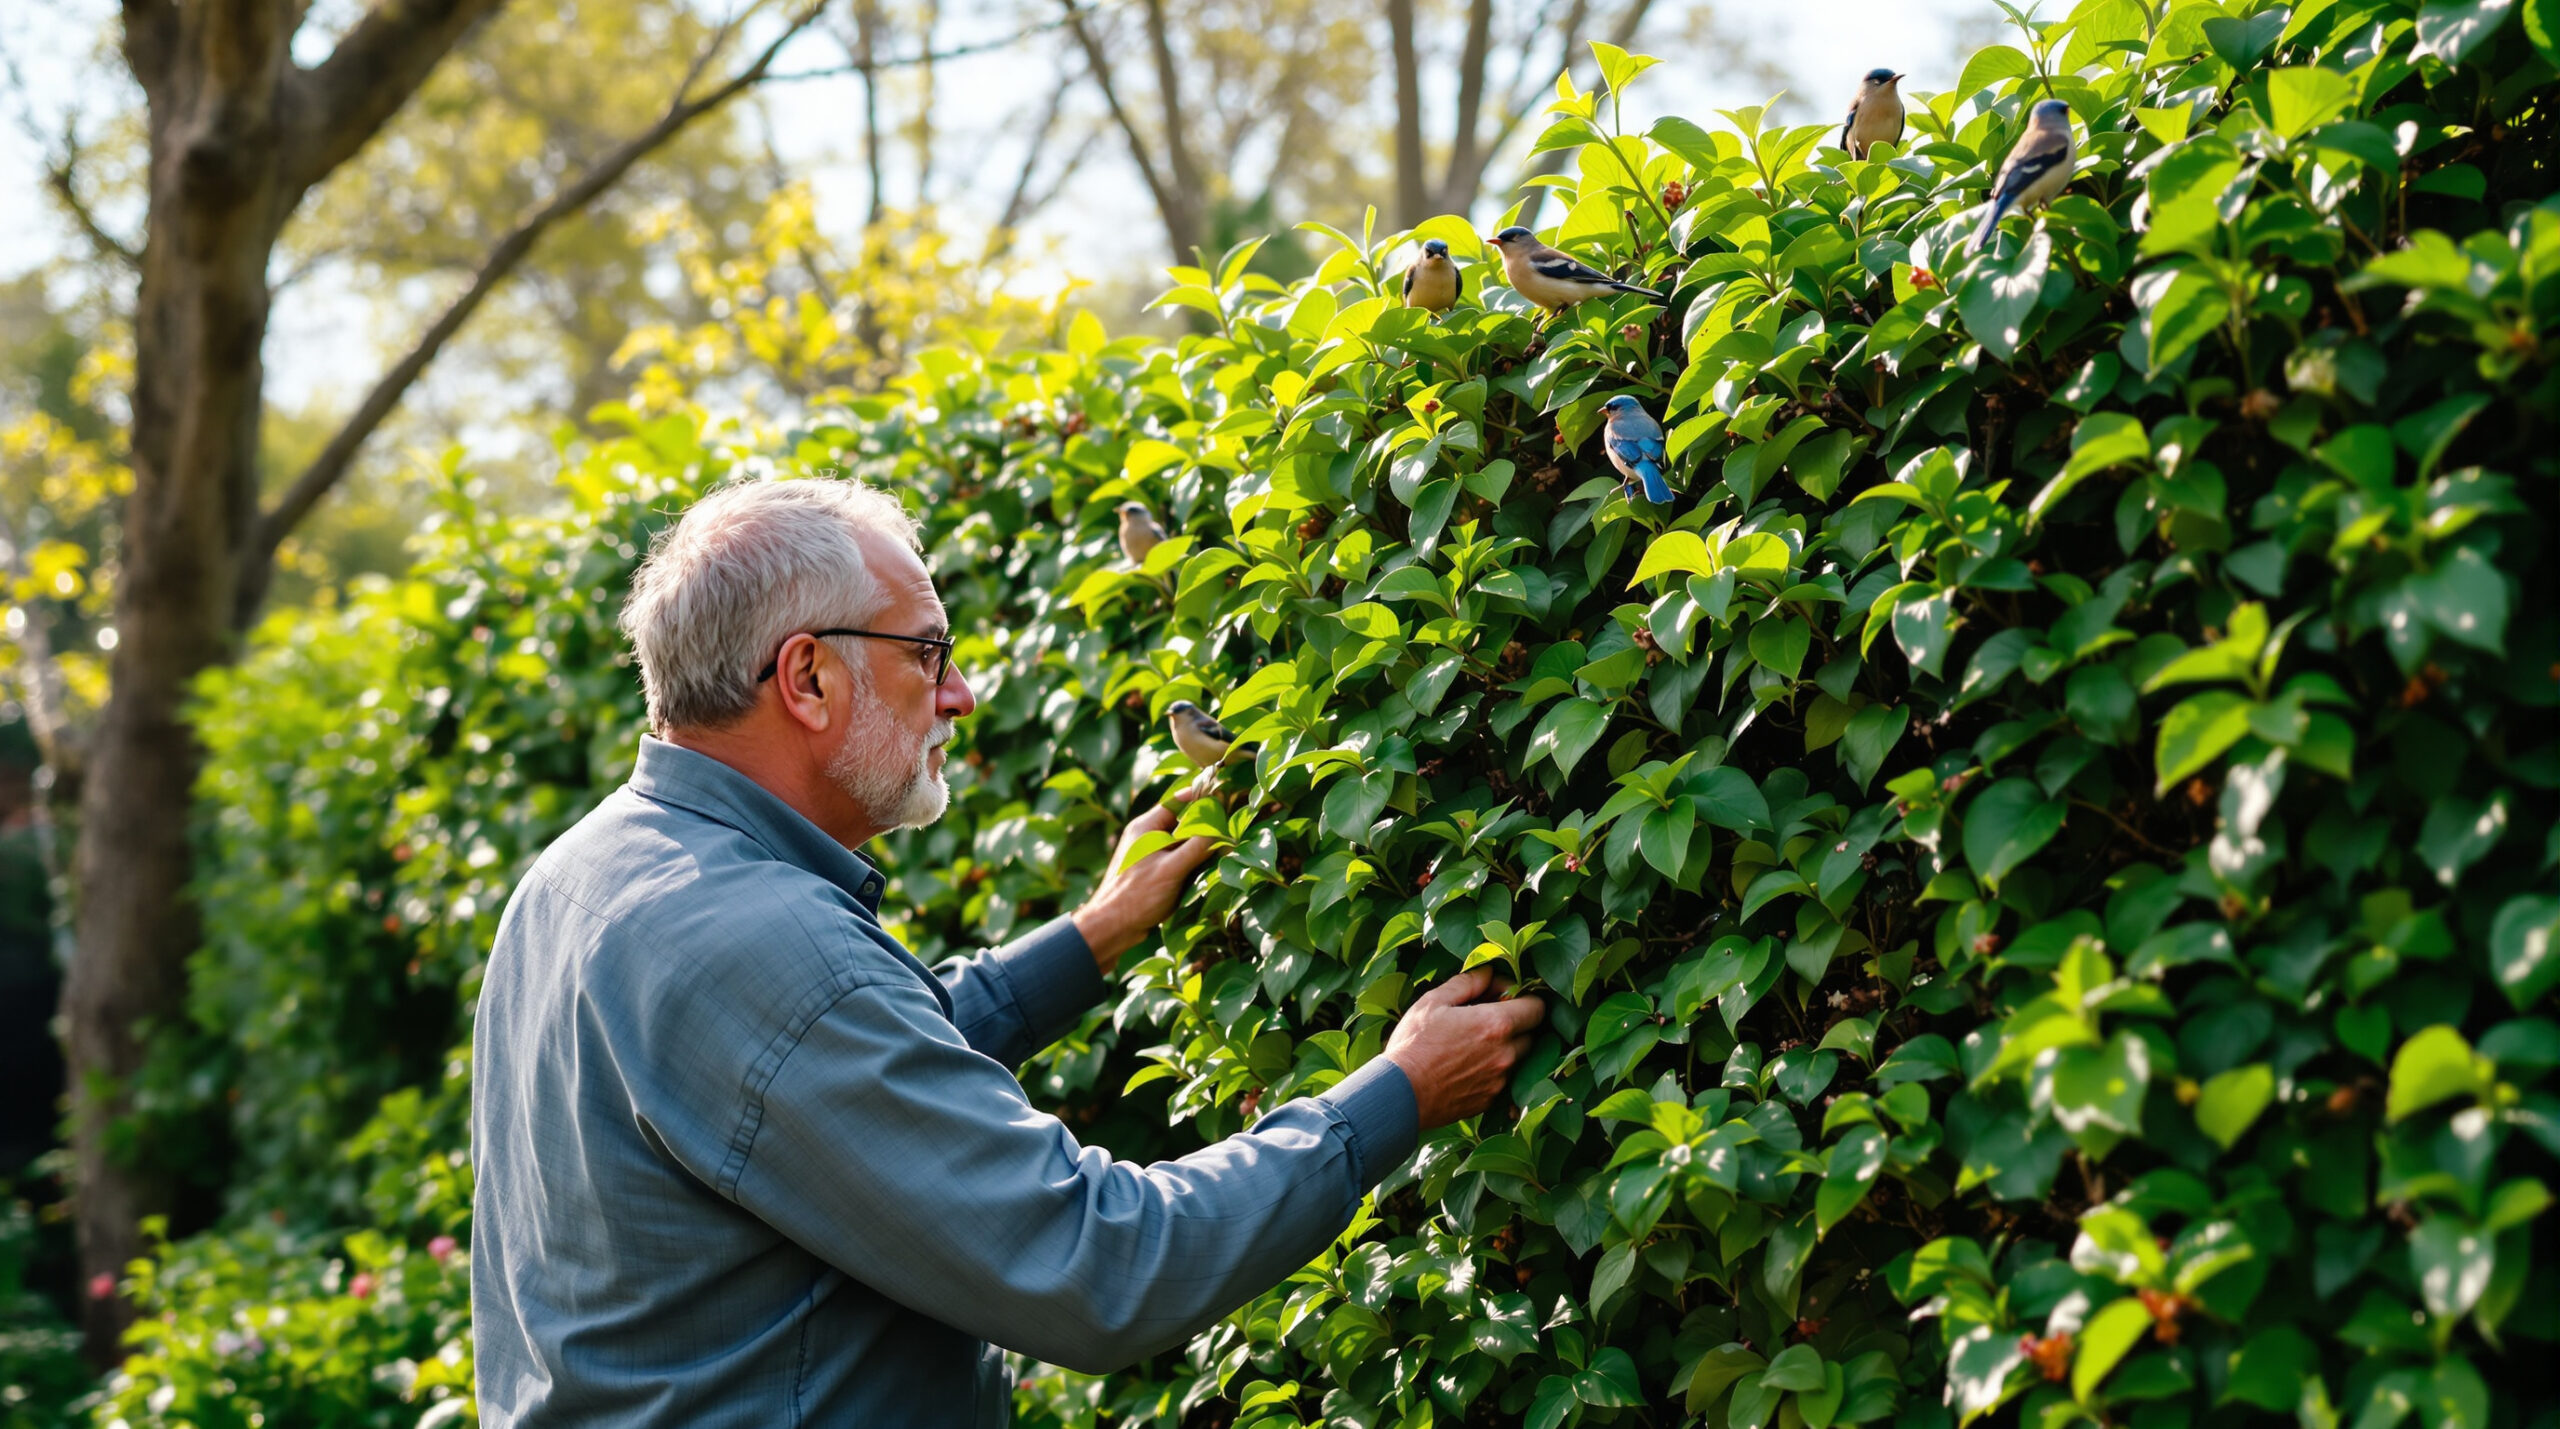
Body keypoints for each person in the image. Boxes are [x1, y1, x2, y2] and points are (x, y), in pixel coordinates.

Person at [470, 478, 1544, 1426]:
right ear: (806, 679)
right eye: (927, 653)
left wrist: (1096, 931)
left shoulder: (586, 874)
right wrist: (1395, 1093)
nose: (960, 695)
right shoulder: (772, 948)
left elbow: (814, 1082)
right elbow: (1105, 1265)